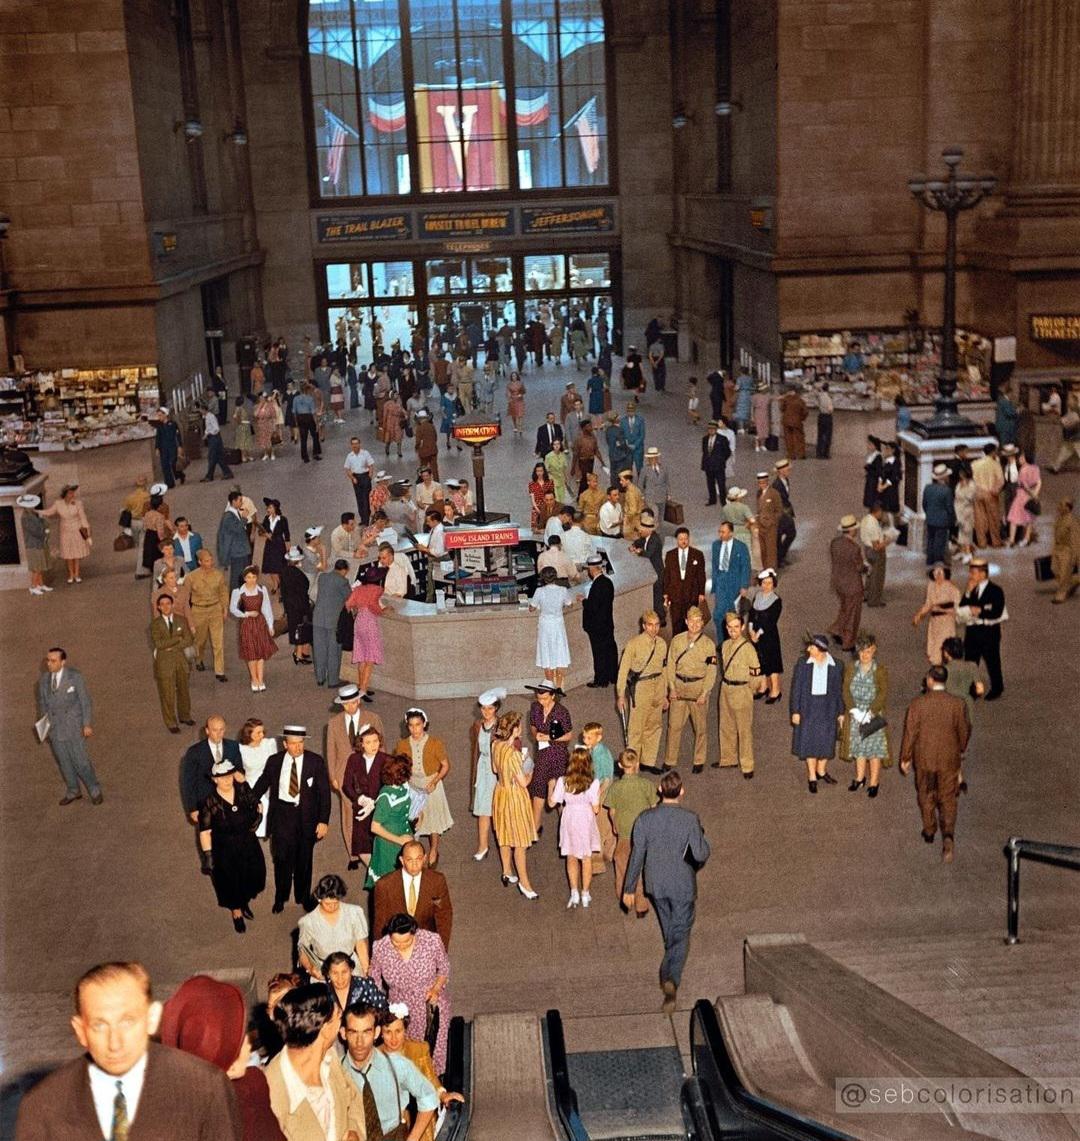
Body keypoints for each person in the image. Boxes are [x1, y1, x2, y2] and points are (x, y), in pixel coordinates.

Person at [15, 962, 242, 1141]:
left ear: (152, 1018)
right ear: (80, 1030)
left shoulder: (206, 1087)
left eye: (127, 1022)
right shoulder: (43, 1105)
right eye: (100, 1025)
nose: (115, 1043)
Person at [623, 770, 710, 1013]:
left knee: (670, 926)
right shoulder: (690, 819)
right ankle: (670, 977)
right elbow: (701, 854)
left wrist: (629, 887)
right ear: (681, 792)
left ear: (660, 791)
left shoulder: (644, 819)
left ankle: (670, 962)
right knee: (681, 932)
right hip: (682, 883)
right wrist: (706, 841)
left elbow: (637, 855)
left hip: (656, 884)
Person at [161, 975, 285, 1141]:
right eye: (240, 1039)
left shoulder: (176, 1109)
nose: (248, 1045)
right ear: (231, 1066)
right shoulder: (251, 1091)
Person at [263, 984, 364, 1139]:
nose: (341, 1017)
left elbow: (354, 1097)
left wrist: (354, 1130)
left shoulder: (330, 1058)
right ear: (324, 1028)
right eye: (338, 1015)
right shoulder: (272, 1092)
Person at [250, 725, 331, 913]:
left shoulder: (315, 762)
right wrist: (251, 800)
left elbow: (324, 795)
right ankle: (281, 897)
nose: (298, 747)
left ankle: (303, 897)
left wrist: (323, 821)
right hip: (282, 817)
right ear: (285, 744)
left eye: (301, 743)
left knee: (304, 859)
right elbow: (262, 784)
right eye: (293, 744)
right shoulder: (274, 761)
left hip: (306, 818)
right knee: (281, 859)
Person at [899, 665, 970, 863]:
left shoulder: (917, 704)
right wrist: (960, 749)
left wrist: (905, 758)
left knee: (926, 793)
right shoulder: (957, 704)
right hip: (948, 760)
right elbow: (963, 731)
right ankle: (948, 836)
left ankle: (929, 829)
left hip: (925, 759)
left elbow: (910, 733)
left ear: (930, 680)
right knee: (948, 797)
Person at [340, 1002, 440, 1141]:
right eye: (353, 1032)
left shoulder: (397, 1065)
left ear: (376, 1033)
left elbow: (429, 1097)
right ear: (343, 1033)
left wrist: (413, 1138)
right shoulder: (334, 1072)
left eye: (366, 1032)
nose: (360, 1042)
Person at [370, 914, 452, 1075]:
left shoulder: (431, 941)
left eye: (406, 942)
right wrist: (381, 1005)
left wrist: (435, 989)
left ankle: (436, 1081)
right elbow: (374, 977)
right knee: (403, 1047)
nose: (400, 946)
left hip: (428, 999)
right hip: (400, 1003)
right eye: (396, 942)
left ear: (415, 933)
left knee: (433, 1047)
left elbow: (444, 968)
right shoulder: (380, 947)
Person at [198, 755, 266, 933]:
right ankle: (236, 912)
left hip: (247, 844)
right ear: (214, 780)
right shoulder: (208, 803)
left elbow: (258, 805)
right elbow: (205, 832)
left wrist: (258, 819)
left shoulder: (242, 790)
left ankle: (244, 902)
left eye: (229, 775)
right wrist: (208, 856)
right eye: (222, 777)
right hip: (225, 850)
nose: (227, 780)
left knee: (250, 876)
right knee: (230, 881)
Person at [379, 1003, 465, 1139]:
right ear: (380, 1033)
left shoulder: (419, 1049)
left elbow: (430, 1078)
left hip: (417, 1113)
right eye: (388, 1032)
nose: (394, 1038)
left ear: (405, 1030)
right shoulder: (374, 1056)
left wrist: (443, 1095)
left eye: (398, 1031)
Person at [36, 646, 103, 806]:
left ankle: (94, 789)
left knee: (81, 761)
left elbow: (85, 701)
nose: (49, 664)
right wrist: (44, 726)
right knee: (64, 762)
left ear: (63, 662)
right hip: (55, 729)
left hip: (73, 727)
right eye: (48, 660)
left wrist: (86, 724)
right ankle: (73, 790)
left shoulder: (74, 677)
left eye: (53, 661)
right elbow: (42, 704)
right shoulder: (44, 681)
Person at [489, 710, 539, 898]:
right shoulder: (513, 754)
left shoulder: (496, 745)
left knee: (504, 835)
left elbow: (495, 769)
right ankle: (524, 883)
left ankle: (507, 871)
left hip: (500, 792)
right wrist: (531, 768)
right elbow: (524, 782)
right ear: (515, 729)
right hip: (514, 797)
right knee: (519, 842)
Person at [395, 708, 453, 868]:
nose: (415, 729)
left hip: (431, 783)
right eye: (411, 726)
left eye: (418, 725)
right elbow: (400, 767)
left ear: (424, 724)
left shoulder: (435, 743)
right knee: (415, 818)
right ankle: (414, 849)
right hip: (413, 784)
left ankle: (434, 849)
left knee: (433, 818)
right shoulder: (402, 744)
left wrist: (435, 780)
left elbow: (445, 765)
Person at [661, 605, 716, 774]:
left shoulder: (708, 645)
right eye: (691, 621)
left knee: (700, 728)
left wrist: (705, 692)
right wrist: (671, 688)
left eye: (698, 621)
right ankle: (670, 759)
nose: (694, 624)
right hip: (678, 688)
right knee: (674, 726)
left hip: (697, 688)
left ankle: (699, 760)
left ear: (702, 624)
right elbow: (670, 665)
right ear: (686, 622)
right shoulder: (677, 640)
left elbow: (712, 671)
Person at [373, 839, 454, 950]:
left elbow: (444, 917)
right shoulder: (384, 885)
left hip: (426, 947)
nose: (415, 864)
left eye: (419, 859)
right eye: (409, 860)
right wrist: (381, 954)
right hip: (396, 947)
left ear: (425, 858)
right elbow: (380, 924)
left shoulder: (437, 881)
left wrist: (441, 950)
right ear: (401, 860)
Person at [548, 746, 602, 909]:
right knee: (586, 858)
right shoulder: (593, 783)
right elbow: (596, 809)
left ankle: (574, 892)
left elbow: (551, 803)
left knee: (571, 856)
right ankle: (585, 893)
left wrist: (550, 786)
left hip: (569, 819)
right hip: (585, 820)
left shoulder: (563, 781)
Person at [790, 634, 845, 794]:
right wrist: (795, 711)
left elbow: (838, 692)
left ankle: (821, 770)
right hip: (809, 707)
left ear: (821, 650)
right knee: (809, 742)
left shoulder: (836, 666)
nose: (808, 650)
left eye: (812, 647)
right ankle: (812, 776)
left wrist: (841, 712)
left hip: (828, 708)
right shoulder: (803, 664)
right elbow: (796, 689)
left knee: (826, 741)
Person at [839, 631, 891, 798]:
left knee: (873, 751)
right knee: (859, 749)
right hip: (856, 713)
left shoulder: (880, 670)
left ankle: (874, 781)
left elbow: (883, 693)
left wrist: (870, 712)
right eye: (861, 652)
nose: (864, 655)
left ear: (874, 650)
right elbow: (846, 690)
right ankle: (860, 777)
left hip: (872, 715)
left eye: (868, 651)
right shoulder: (851, 669)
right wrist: (853, 709)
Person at [617, 611, 669, 771]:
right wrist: (620, 695)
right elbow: (623, 671)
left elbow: (664, 668)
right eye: (650, 625)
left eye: (657, 625)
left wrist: (665, 693)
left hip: (658, 685)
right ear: (643, 626)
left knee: (654, 726)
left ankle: (648, 761)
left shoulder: (662, 644)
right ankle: (632, 765)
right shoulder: (633, 644)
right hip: (641, 687)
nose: (654, 629)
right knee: (636, 728)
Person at [297, 874, 370, 980]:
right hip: (323, 972)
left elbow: (361, 944)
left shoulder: (354, 912)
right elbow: (303, 950)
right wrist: (311, 969)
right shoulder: (308, 922)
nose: (332, 907)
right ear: (319, 898)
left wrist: (366, 970)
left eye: (336, 903)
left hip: (351, 968)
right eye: (327, 903)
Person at [526, 681, 573, 831]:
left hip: (558, 754)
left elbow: (568, 735)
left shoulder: (561, 712)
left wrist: (549, 738)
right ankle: (535, 825)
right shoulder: (535, 708)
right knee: (538, 786)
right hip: (542, 753)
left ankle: (566, 826)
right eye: (539, 699)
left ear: (553, 696)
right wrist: (536, 735)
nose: (542, 702)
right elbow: (533, 726)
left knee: (560, 790)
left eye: (545, 699)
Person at [958, 557, 1007, 700]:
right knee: (971, 662)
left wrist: (979, 611)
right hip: (973, 632)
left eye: (973, 572)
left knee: (992, 661)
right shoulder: (972, 590)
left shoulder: (995, 590)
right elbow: (962, 607)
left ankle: (997, 687)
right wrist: (967, 593)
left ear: (983, 574)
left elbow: (997, 611)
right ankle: (971, 688)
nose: (970, 576)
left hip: (989, 632)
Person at [366, 753, 415, 890]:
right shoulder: (386, 797)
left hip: (404, 835)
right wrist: (399, 840)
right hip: (389, 843)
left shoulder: (403, 786)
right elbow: (374, 827)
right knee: (391, 882)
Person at [150, 593, 195, 733]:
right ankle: (171, 722)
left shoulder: (181, 620)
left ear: (172, 605)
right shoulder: (155, 624)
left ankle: (185, 716)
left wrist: (172, 645)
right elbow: (159, 643)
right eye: (162, 604)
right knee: (167, 694)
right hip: (164, 664)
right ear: (158, 607)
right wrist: (177, 639)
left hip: (181, 661)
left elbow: (189, 639)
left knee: (184, 691)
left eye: (168, 603)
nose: (165, 606)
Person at [469, 687, 504, 860]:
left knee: (498, 808)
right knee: (483, 809)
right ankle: (483, 845)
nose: (486, 712)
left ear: (496, 708)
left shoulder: (502, 725)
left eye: (490, 708)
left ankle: (502, 843)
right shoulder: (477, 725)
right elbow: (476, 748)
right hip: (483, 768)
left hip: (497, 770)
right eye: (483, 708)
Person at [185, 548, 230, 681]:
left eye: (210, 560)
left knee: (218, 642)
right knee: (200, 640)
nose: (210, 563)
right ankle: (199, 659)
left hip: (215, 609)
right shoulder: (191, 577)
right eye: (206, 561)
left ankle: (219, 671)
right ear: (199, 562)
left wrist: (224, 607)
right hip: (198, 611)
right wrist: (186, 614)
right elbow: (185, 597)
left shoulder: (218, 575)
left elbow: (223, 591)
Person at [230, 565, 277, 692]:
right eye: (249, 577)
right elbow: (232, 608)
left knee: (261, 652)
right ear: (244, 578)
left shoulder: (262, 589)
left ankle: (261, 679)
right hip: (247, 624)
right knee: (251, 653)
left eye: (254, 577)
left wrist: (270, 625)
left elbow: (266, 608)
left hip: (260, 623)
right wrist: (246, 614)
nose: (252, 580)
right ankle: (254, 678)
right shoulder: (238, 591)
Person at [345, 563, 387, 702]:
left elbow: (348, 604)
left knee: (362, 656)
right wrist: (384, 610)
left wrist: (357, 609)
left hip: (359, 622)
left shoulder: (358, 589)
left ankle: (361, 686)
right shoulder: (378, 589)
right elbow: (375, 607)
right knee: (370, 659)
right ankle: (362, 690)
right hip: (370, 623)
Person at [530, 564, 574, 688]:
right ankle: (559, 687)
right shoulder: (562, 590)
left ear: (543, 578)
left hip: (545, 626)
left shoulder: (540, 591)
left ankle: (549, 685)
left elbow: (531, 608)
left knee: (546, 654)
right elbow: (569, 604)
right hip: (558, 625)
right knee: (560, 653)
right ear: (556, 577)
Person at [828, 515, 866, 653]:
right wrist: (866, 567)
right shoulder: (854, 548)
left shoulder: (834, 543)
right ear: (852, 531)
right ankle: (848, 642)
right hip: (852, 585)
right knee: (853, 614)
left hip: (838, 582)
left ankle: (837, 629)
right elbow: (860, 567)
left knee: (844, 608)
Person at [312, 559, 352, 688]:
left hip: (318, 618)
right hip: (333, 621)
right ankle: (333, 680)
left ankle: (320, 677)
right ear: (344, 570)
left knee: (319, 648)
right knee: (333, 650)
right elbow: (350, 599)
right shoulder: (343, 581)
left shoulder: (322, 577)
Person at [41, 483, 91, 584]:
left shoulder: (78, 503)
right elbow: (49, 512)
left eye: (73, 493)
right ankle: (71, 574)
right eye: (70, 493)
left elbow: (83, 517)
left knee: (76, 553)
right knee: (68, 553)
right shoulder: (58, 503)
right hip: (65, 531)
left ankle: (77, 574)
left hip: (77, 530)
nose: (72, 495)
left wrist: (87, 533)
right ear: (65, 494)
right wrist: (37, 512)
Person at [660, 526, 706, 636]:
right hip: (675, 595)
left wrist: (701, 592)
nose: (683, 541)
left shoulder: (697, 554)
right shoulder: (670, 555)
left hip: (691, 594)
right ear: (677, 540)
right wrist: (666, 593)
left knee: (691, 621)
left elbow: (701, 575)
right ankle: (677, 645)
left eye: (686, 538)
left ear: (689, 539)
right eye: (681, 539)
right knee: (676, 622)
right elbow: (667, 575)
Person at [912, 563, 961, 664]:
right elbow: (928, 603)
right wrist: (919, 615)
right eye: (936, 572)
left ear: (945, 573)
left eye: (941, 572)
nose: (938, 575)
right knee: (934, 643)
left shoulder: (952, 588)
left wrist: (944, 610)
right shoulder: (931, 586)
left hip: (947, 621)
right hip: (934, 621)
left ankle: (940, 665)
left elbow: (959, 607)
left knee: (942, 644)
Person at [711, 520, 751, 642]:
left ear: (731, 533)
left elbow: (746, 567)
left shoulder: (741, 547)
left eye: (723, 532)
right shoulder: (716, 545)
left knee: (734, 615)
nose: (720, 534)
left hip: (735, 584)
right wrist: (715, 583)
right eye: (720, 531)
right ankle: (721, 642)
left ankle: (735, 641)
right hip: (721, 583)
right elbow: (714, 564)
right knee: (718, 615)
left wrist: (744, 586)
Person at [747, 568, 783, 702]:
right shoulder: (757, 597)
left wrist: (758, 633)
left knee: (772, 663)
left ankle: (775, 690)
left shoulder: (776, 601)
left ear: (774, 584)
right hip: (755, 636)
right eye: (764, 583)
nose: (766, 586)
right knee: (760, 661)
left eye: (769, 583)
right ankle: (763, 687)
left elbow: (771, 621)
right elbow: (751, 614)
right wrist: (751, 630)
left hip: (769, 636)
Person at [582, 554, 617, 688]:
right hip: (607, 623)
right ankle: (612, 675)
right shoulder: (608, 582)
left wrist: (584, 601)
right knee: (609, 650)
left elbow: (593, 606)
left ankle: (601, 679)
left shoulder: (597, 585)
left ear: (592, 569)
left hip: (596, 625)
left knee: (599, 653)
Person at [217, 490, 252, 591]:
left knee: (244, 573)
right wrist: (244, 518)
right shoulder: (228, 516)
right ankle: (235, 597)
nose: (241, 503)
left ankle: (244, 593)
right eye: (240, 500)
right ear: (233, 501)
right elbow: (237, 529)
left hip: (241, 550)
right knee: (237, 576)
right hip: (237, 552)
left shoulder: (235, 513)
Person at [922, 462, 956, 566]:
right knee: (939, 542)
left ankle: (930, 560)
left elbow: (924, 504)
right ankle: (938, 560)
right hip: (942, 521)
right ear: (944, 477)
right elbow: (949, 508)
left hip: (930, 518)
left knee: (930, 540)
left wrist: (929, 514)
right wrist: (952, 520)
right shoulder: (947, 491)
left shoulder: (928, 488)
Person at [971, 443, 1004, 548]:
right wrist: (996, 490)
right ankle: (995, 541)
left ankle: (981, 542)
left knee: (979, 519)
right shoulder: (995, 464)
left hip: (977, 492)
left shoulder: (974, 463)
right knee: (993, 518)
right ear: (993, 452)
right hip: (990, 493)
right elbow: (1001, 480)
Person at [1006, 451, 1042, 546]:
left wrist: (1031, 493)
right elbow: (1039, 482)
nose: (1019, 459)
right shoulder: (1036, 468)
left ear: (1026, 459)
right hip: (1032, 495)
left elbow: (1024, 485)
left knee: (1013, 518)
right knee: (1029, 518)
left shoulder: (1023, 470)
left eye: (1022, 457)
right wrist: (1035, 494)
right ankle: (1026, 538)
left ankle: (1012, 539)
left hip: (1022, 495)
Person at [859, 501, 891, 607]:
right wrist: (887, 541)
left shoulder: (866, 519)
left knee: (870, 573)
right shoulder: (872, 524)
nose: (882, 514)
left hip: (867, 549)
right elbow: (877, 546)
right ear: (877, 511)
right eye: (881, 512)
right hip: (875, 553)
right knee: (877, 576)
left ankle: (866, 594)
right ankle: (874, 600)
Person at [1051, 497, 1080, 604]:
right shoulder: (1059, 519)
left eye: (1062, 505)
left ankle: (1061, 594)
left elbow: (1076, 540)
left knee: (1064, 573)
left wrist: (1076, 557)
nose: (1059, 507)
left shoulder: (1073, 522)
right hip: (1058, 548)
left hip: (1067, 550)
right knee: (1055, 570)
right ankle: (1076, 580)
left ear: (1068, 508)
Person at [343, 436, 375, 526]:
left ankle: (367, 519)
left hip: (365, 476)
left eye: (356, 443)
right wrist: (352, 478)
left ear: (359, 444)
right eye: (353, 444)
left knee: (366, 498)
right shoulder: (349, 456)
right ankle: (363, 518)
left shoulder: (365, 453)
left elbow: (371, 465)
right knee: (359, 499)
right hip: (356, 478)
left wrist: (369, 477)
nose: (355, 446)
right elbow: (347, 469)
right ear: (351, 445)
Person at [200, 401, 235, 482]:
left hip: (214, 438)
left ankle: (209, 476)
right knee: (219, 457)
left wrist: (208, 433)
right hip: (213, 438)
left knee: (212, 457)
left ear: (204, 410)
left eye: (201, 410)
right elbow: (208, 427)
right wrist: (206, 434)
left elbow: (216, 428)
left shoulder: (211, 417)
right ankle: (227, 473)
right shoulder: (206, 417)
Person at [755, 471, 782, 572]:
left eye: (763, 482)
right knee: (763, 550)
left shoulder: (774, 494)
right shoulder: (758, 493)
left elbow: (779, 510)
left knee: (771, 551)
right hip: (760, 525)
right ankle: (765, 570)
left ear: (767, 481)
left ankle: (771, 572)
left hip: (770, 527)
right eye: (759, 482)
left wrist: (772, 521)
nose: (761, 484)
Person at [701, 420, 731, 505]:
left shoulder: (722, 439)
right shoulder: (705, 439)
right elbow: (704, 451)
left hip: (719, 466)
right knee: (710, 483)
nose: (711, 430)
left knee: (721, 484)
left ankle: (723, 501)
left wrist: (721, 460)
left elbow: (727, 452)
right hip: (708, 465)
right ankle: (712, 500)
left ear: (716, 429)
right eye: (709, 429)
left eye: (713, 429)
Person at [155, 407, 185, 487]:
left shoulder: (173, 424)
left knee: (173, 464)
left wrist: (179, 446)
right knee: (165, 465)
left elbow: (177, 435)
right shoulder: (159, 426)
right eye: (158, 416)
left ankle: (180, 475)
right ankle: (169, 483)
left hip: (172, 447)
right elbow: (158, 437)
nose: (159, 417)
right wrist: (157, 448)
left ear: (165, 415)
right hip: (163, 448)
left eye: (160, 415)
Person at [780, 385, 808, 459]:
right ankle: (801, 454)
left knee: (788, 438)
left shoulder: (786, 399)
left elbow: (782, 408)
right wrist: (801, 418)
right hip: (797, 422)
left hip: (786, 421)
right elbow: (805, 412)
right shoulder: (801, 401)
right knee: (799, 438)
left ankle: (791, 454)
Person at [621, 401, 646, 475]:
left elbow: (642, 435)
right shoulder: (623, 421)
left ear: (635, 411)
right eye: (629, 411)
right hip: (627, 448)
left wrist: (635, 445)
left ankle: (639, 479)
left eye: (632, 411)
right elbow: (621, 434)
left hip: (638, 447)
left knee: (639, 465)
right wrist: (626, 444)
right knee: (627, 467)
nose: (630, 413)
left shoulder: (640, 420)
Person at [815, 383, 834, 458]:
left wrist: (819, 388)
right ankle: (825, 453)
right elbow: (830, 409)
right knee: (828, 436)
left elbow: (815, 390)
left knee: (820, 435)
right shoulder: (829, 398)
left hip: (821, 416)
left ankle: (819, 453)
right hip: (827, 417)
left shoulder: (819, 396)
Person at [506, 370, 526, 434]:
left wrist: (521, 394)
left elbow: (524, 391)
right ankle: (515, 426)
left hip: (519, 400)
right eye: (512, 376)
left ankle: (520, 427)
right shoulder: (509, 384)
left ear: (517, 376)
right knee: (514, 414)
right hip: (513, 400)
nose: (514, 377)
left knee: (520, 414)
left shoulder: (520, 383)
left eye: (515, 376)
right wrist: (509, 398)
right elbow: (508, 392)